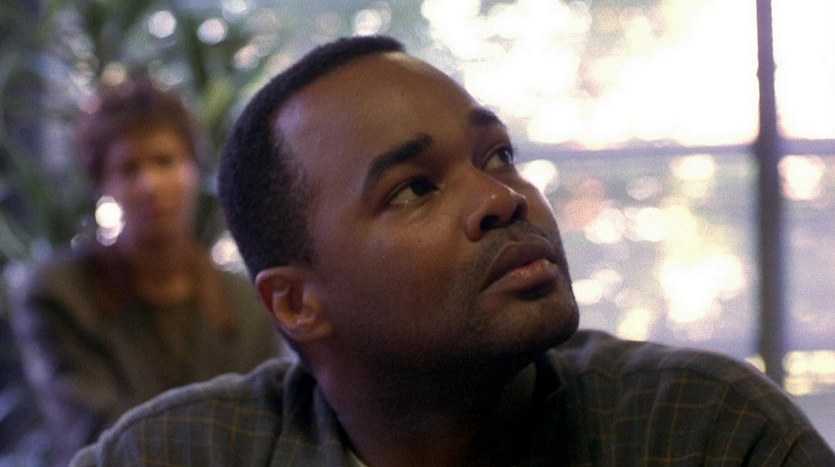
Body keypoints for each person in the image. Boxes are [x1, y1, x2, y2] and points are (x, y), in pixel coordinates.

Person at [71, 36, 834, 466]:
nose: (502, 197)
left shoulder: (704, 434)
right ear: (297, 303)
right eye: (413, 188)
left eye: (497, 155)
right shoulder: (180, 454)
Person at [9, 74, 287, 466]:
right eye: (128, 169)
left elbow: (267, 432)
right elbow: (96, 436)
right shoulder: (60, 295)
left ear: (193, 168)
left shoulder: (247, 305)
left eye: (165, 161)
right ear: (103, 184)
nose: (150, 185)